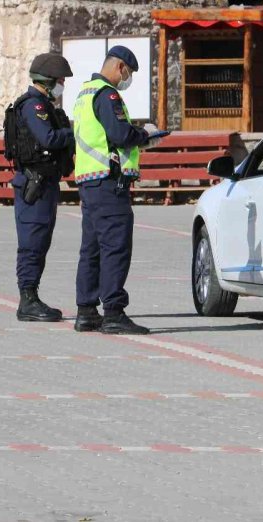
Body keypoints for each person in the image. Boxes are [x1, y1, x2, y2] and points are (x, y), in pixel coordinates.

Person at [72, 46, 165, 335]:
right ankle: (113, 312)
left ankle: (86, 311)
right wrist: (146, 135)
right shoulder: (107, 95)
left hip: (89, 181)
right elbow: (120, 134)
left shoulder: (84, 93)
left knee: (92, 249)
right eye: (129, 73)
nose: (128, 79)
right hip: (109, 183)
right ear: (120, 67)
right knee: (115, 247)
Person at [6, 53, 75, 322]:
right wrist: (74, 132)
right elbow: (47, 138)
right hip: (33, 184)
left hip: (44, 183)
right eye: (60, 80)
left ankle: (32, 296)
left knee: (40, 242)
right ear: (47, 80)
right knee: (32, 243)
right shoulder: (33, 105)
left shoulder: (44, 105)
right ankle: (27, 300)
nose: (62, 85)